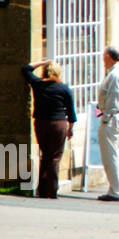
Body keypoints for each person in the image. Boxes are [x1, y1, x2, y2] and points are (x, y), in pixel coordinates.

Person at [22, 59, 76, 199]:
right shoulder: (63, 88)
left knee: (45, 155)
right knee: (55, 157)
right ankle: (52, 191)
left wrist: (43, 62)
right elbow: (71, 112)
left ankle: (42, 190)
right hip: (58, 123)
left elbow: (26, 69)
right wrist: (70, 128)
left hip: (41, 123)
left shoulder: (38, 84)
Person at [95, 45, 119, 201]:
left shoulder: (116, 75)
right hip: (117, 116)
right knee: (115, 155)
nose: (103, 59)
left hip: (113, 117)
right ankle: (115, 188)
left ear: (109, 56)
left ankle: (116, 191)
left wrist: (106, 116)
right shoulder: (118, 72)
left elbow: (113, 98)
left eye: (104, 55)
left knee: (111, 156)